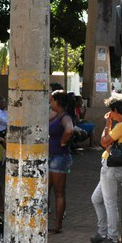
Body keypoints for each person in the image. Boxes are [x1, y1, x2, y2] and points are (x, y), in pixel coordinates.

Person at [90, 94, 122, 243]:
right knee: (96, 199)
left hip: (113, 167)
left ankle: (113, 237)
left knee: (110, 204)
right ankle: (103, 233)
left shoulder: (121, 125)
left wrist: (107, 123)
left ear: (116, 111)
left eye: (111, 111)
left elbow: (104, 141)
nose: (110, 113)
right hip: (110, 166)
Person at [48, 90, 74, 234]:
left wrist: (63, 141)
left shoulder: (64, 117)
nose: (50, 103)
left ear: (58, 102)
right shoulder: (56, 115)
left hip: (59, 158)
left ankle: (58, 225)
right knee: (47, 191)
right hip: (53, 157)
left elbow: (69, 130)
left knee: (58, 192)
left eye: (52, 100)